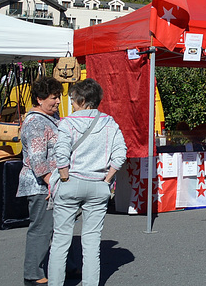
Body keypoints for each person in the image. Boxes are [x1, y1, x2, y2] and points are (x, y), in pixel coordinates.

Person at [48, 79, 126, 286]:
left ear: (82, 100)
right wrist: (107, 179)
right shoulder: (110, 123)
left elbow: (61, 154)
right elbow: (120, 156)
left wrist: (64, 177)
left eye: (73, 99)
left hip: (71, 182)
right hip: (98, 185)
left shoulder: (68, 123)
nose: (71, 103)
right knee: (91, 241)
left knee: (60, 241)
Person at [17, 75, 64, 286]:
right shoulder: (35, 122)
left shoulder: (50, 118)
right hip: (40, 186)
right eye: (54, 97)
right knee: (41, 229)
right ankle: (33, 274)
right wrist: (51, 182)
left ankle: (66, 266)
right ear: (39, 99)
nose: (57, 102)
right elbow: (37, 159)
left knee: (59, 227)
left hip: (50, 183)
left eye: (58, 97)